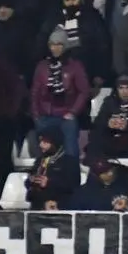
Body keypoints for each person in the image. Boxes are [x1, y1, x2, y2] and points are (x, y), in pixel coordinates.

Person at [30, 30, 90, 160]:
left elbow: (83, 91)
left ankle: (71, 174)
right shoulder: (42, 66)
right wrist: (36, 115)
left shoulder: (75, 66)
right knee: (44, 152)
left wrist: (73, 112)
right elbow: (35, 92)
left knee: (70, 151)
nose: (55, 48)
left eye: (59, 44)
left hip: (66, 116)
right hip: (44, 116)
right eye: (52, 44)